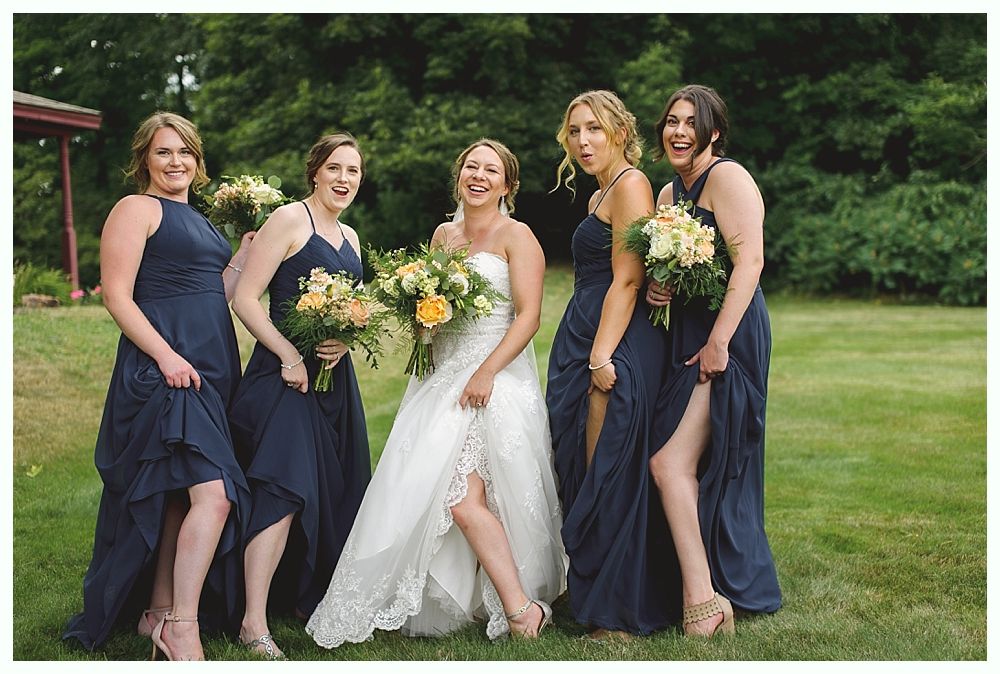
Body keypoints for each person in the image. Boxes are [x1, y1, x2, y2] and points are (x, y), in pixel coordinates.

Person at [306, 139, 567, 647]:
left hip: (493, 377)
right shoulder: (443, 236)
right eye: (472, 166)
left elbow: (529, 316)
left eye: (491, 170)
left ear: (507, 186)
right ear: (459, 176)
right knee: (449, 494)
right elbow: (433, 307)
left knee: (465, 499)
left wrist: (487, 372)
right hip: (442, 377)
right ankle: (517, 608)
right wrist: (424, 325)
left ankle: (520, 611)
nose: (479, 176)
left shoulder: (519, 236)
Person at [62, 111, 252, 660]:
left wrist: (240, 254)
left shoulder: (199, 218)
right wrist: (167, 356)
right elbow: (116, 294)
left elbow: (216, 291)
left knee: (180, 496)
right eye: (164, 152)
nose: (177, 162)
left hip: (210, 368)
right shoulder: (136, 209)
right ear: (144, 157)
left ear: (199, 159)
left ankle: (157, 611)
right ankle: (182, 627)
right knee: (213, 497)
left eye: (186, 152)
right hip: (164, 368)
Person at [228, 133, 373, 659]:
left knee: (335, 492)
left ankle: (304, 598)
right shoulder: (290, 220)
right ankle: (252, 621)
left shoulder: (352, 237)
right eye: (334, 168)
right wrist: (290, 355)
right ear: (315, 172)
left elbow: (352, 309)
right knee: (285, 490)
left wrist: (346, 338)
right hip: (284, 377)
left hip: (334, 381)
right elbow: (246, 299)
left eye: (353, 171)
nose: (343, 179)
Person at [646, 84, 781, 637]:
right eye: (671, 122)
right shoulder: (667, 194)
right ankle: (701, 586)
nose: (678, 132)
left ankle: (704, 603)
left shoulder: (727, 177)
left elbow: (749, 260)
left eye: (690, 123)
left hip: (729, 329)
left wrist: (721, 340)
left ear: (713, 132)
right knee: (691, 463)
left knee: (670, 463)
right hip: (687, 331)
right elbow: (673, 268)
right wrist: (661, 287)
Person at [545, 90, 679, 638]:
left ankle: (618, 614)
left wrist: (601, 353)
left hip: (612, 340)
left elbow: (628, 278)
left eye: (595, 129)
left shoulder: (631, 186)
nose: (583, 141)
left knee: (609, 467)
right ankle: (590, 587)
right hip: (585, 331)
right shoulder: (600, 193)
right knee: (577, 458)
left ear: (620, 132)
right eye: (575, 131)